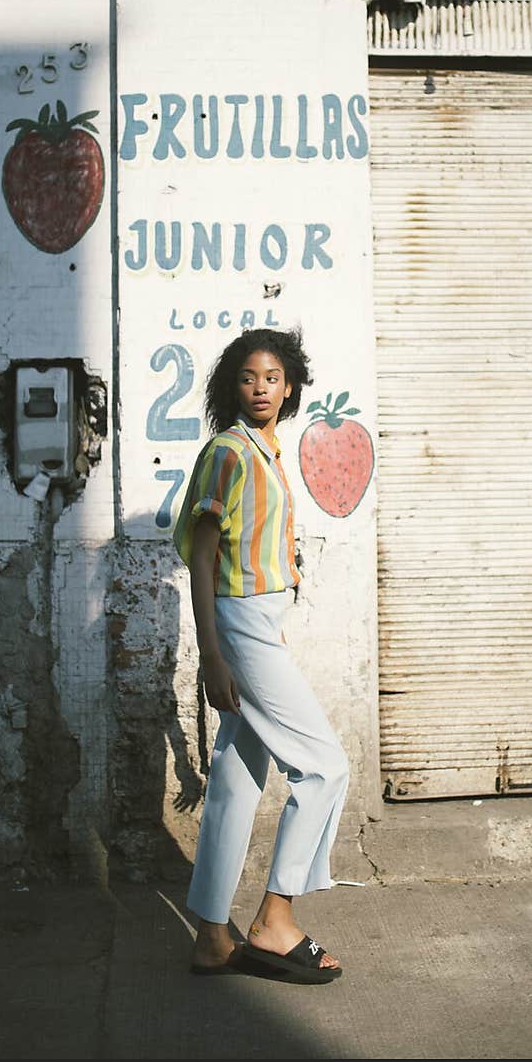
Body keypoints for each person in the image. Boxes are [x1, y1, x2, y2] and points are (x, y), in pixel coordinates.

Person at [172, 327, 349, 984]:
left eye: (272, 378)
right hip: (240, 622)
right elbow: (203, 556)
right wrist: (213, 656)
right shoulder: (227, 452)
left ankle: (212, 937)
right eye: (248, 378)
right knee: (325, 767)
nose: (260, 389)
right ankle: (276, 919)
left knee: (238, 777)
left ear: (291, 386)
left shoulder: (267, 450)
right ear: (231, 387)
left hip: (262, 620)